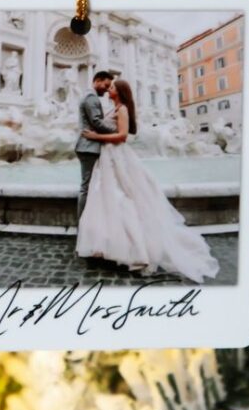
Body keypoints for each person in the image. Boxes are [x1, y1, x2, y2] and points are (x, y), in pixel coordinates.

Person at [76, 79, 220, 283]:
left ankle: (133, 249)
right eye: (109, 87)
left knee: (122, 198)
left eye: (113, 87)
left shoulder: (123, 109)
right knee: (108, 198)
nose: (109, 89)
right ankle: (107, 245)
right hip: (107, 157)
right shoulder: (115, 108)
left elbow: (122, 136)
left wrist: (95, 137)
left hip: (117, 155)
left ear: (120, 92)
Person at [75, 70, 115, 220]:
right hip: (88, 146)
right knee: (86, 187)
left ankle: (87, 221)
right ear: (97, 80)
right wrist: (117, 131)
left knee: (88, 186)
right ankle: (83, 224)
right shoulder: (91, 97)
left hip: (87, 146)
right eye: (106, 85)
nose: (106, 89)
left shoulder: (87, 95)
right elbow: (97, 122)